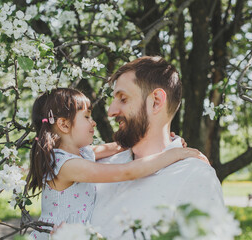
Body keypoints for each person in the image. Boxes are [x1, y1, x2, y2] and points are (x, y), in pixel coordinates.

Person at [26, 88, 207, 239]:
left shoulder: (83, 153)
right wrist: (174, 154)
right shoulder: (67, 166)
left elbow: (120, 146)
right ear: (64, 125)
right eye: (87, 117)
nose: (94, 122)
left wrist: (165, 141)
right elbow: (126, 172)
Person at [91, 56, 226, 239]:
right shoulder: (98, 168)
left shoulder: (195, 176)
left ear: (156, 101)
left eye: (123, 99)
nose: (111, 111)